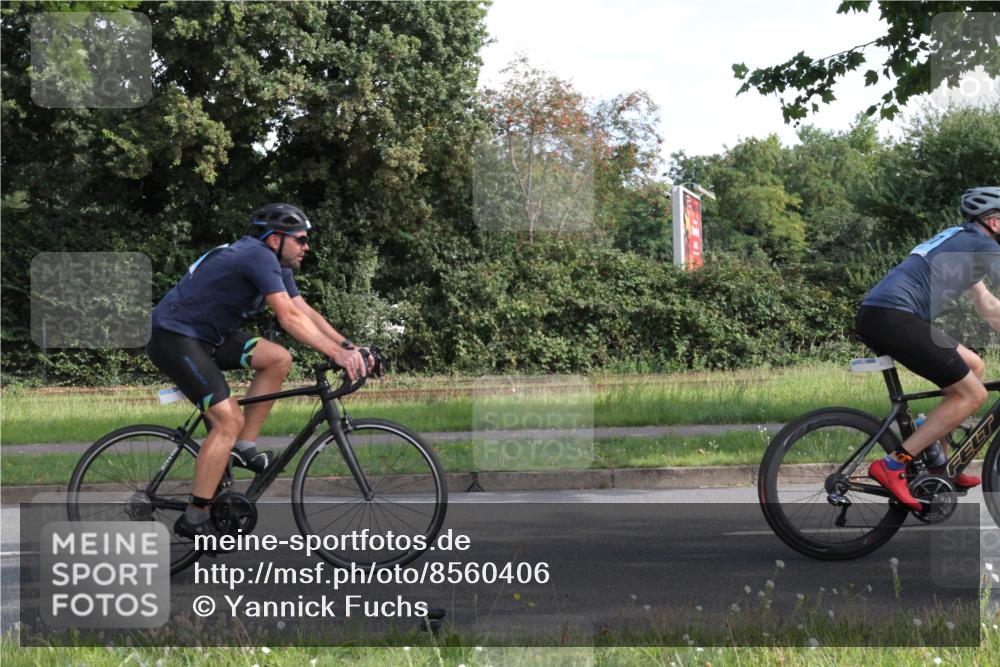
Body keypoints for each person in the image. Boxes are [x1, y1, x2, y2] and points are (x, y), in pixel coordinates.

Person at [146, 203, 369, 541]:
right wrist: (336, 355)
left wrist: (348, 346)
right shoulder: (256, 255)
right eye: (301, 239)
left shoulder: (276, 264)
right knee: (227, 420)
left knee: (277, 358)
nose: (307, 247)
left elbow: (302, 310)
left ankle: (242, 446)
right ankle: (195, 515)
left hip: (210, 337)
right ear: (275, 238)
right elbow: (288, 319)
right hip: (175, 337)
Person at [856, 187, 1000, 511]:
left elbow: (989, 305)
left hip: (885, 315)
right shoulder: (983, 245)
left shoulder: (963, 241)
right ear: (993, 221)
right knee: (973, 395)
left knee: (973, 367)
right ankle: (893, 465)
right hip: (893, 316)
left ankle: (939, 464)